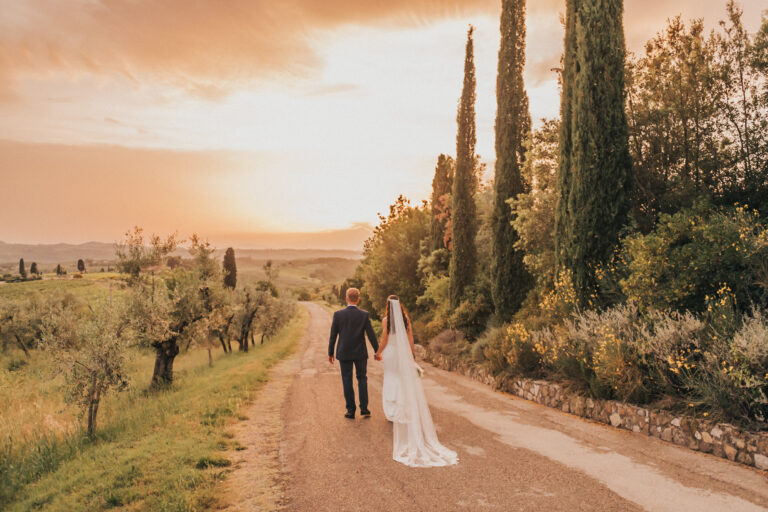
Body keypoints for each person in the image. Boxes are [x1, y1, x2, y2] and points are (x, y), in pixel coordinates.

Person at [374, 295, 458, 468]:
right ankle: (401, 408)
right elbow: (410, 338)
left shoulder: (385, 321)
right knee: (402, 381)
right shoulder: (405, 319)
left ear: (387, 306)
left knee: (391, 379)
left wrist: (378, 352)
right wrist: (410, 355)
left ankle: (391, 411)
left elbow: (384, 338)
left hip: (390, 353)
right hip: (401, 354)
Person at [328, 287, 379, 419]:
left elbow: (333, 335)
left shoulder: (338, 315)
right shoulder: (364, 315)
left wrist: (330, 352)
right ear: (358, 299)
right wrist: (377, 351)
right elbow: (371, 335)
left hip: (344, 352)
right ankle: (364, 409)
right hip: (360, 352)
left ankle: (350, 411)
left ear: (346, 298)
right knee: (362, 379)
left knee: (347, 380)